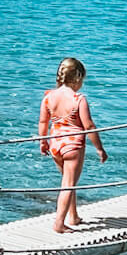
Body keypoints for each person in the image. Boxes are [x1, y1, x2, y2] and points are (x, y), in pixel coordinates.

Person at [38, 56, 106, 234]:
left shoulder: (49, 97)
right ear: (77, 77)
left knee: (68, 182)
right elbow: (89, 125)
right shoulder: (78, 99)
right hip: (72, 146)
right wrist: (99, 148)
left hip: (55, 145)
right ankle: (59, 223)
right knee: (68, 184)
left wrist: (43, 141)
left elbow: (43, 122)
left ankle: (73, 216)